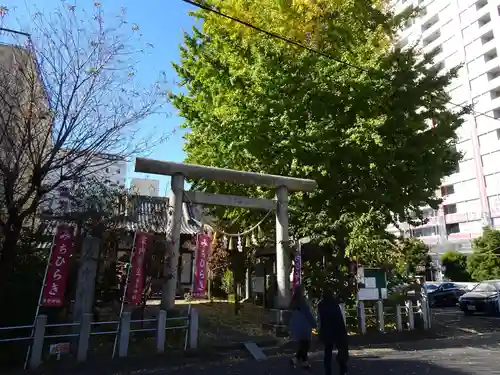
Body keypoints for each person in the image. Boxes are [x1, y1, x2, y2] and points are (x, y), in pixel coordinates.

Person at [317, 287, 349, 375]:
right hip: (338, 330)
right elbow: (339, 318)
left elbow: (320, 319)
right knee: (341, 349)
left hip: (326, 330)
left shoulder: (321, 304)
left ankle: (328, 371)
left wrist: (319, 331)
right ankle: (343, 369)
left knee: (327, 352)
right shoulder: (334, 303)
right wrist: (344, 331)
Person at [289, 285, 317, 368]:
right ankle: (299, 360)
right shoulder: (302, 301)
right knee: (306, 344)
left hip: (297, 325)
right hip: (304, 325)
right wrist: (313, 324)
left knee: (303, 344)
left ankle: (302, 361)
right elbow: (308, 314)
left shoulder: (294, 301)